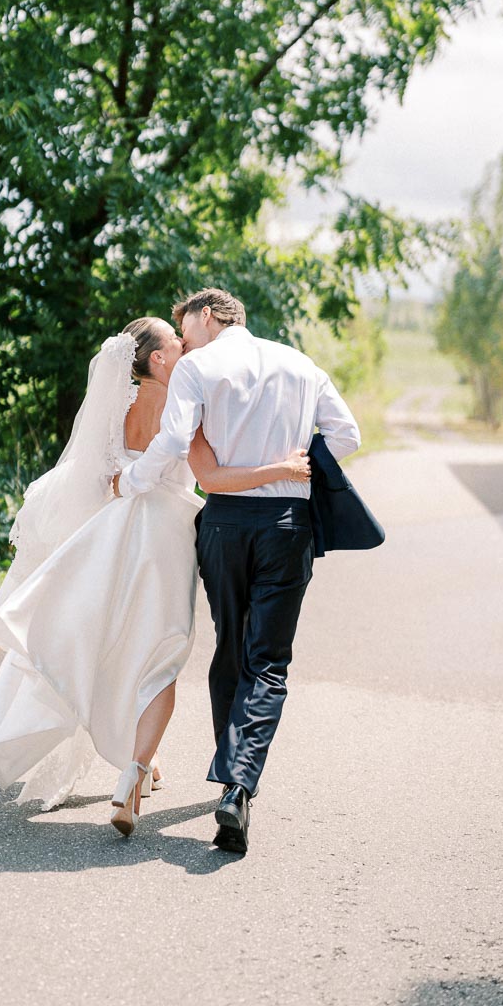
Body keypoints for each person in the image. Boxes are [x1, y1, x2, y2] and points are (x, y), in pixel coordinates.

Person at [0, 316, 311, 836]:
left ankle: (139, 763)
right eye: (177, 341)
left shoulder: (118, 410)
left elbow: (98, 477)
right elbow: (205, 469)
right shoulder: (187, 398)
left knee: (108, 646)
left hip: (111, 533)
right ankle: (134, 770)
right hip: (164, 536)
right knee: (161, 657)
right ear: (158, 358)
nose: (187, 346)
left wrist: (122, 485)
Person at [115, 289, 361, 854]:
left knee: (232, 649)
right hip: (287, 523)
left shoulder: (198, 367)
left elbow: (176, 440)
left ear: (208, 316)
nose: (182, 342)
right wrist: (296, 467)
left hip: (224, 525)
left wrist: (130, 484)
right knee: (268, 662)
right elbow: (347, 436)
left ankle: (233, 776)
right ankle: (238, 785)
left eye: (185, 328)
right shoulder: (302, 364)